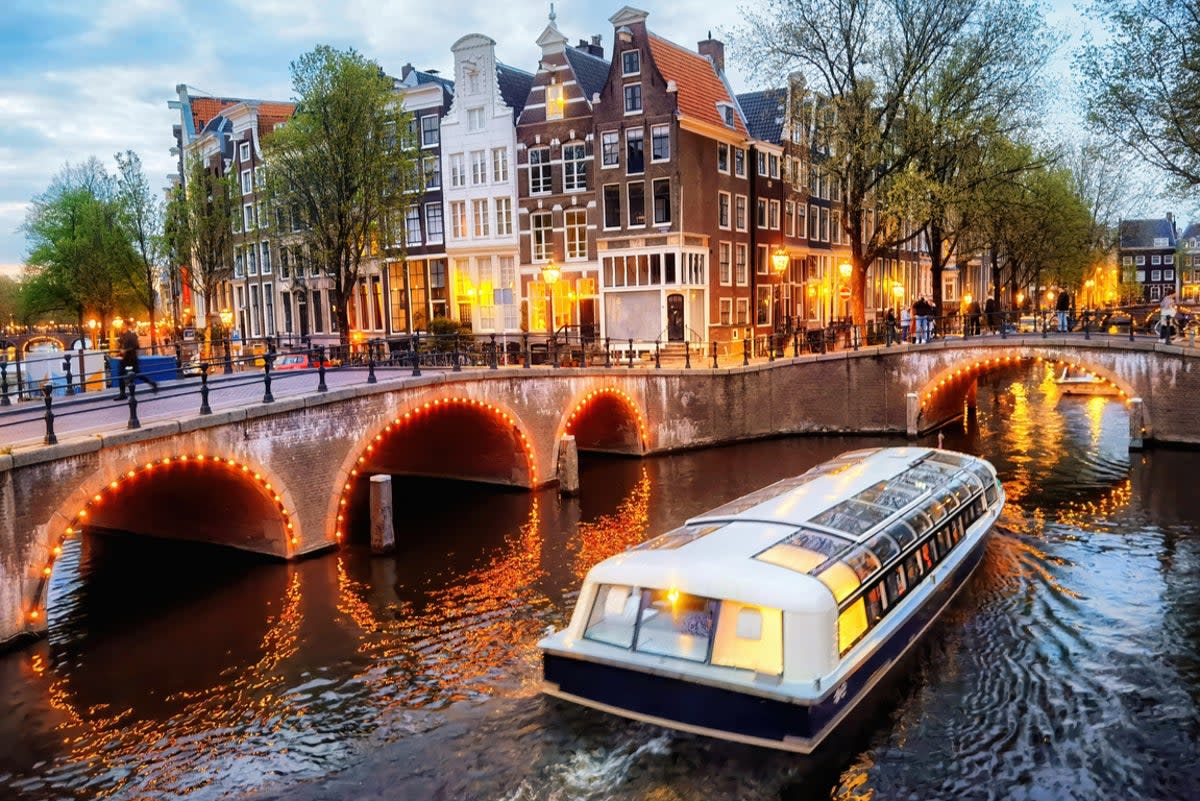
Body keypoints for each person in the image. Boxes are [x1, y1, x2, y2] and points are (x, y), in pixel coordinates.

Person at [118, 328, 158, 393]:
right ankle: (152, 383)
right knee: (127, 374)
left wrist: (125, 350)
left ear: (125, 325)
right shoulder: (125, 335)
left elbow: (136, 346)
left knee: (124, 374)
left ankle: (123, 393)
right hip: (127, 358)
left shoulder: (131, 334)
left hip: (131, 358)